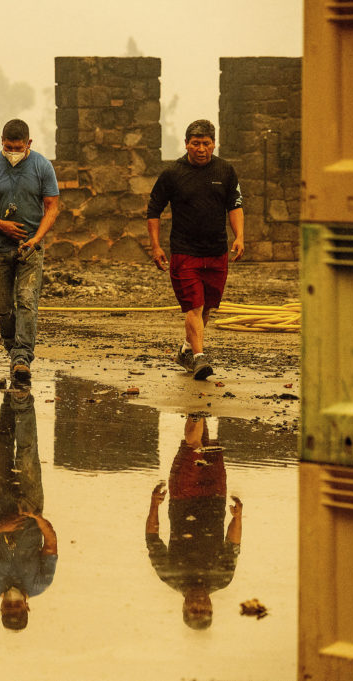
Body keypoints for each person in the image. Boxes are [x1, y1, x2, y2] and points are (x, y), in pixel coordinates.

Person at [146, 119, 245, 380]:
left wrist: (239, 237)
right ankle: (200, 358)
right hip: (184, 251)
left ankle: (187, 350)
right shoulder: (172, 174)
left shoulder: (225, 170)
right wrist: (156, 246)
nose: (201, 149)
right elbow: (154, 209)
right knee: (194, 306)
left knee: (207, 307)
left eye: (206, 143)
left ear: (214, 144)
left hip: (216, 251)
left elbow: (234, 205)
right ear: (186, 144)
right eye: (195, 143)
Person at [0, 119, 60, 384]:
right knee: (3, 308)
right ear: (1, 143)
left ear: (28, 144)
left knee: (27, 301)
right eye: (8, 147)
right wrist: (0, 225)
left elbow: (52, 207)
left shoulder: (42, 166)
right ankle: (12, 348)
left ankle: (22, 358)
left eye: (18, 147)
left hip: (30, 248)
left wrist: (37, 239)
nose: (13, 151)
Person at [0, 389, 58, 630]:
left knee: (2, 443)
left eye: (8, 608)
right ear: (27, 607)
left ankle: (10, 396)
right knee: (28, 451)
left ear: (1, 608)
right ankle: (23, 400)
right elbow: (51, 543)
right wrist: (36, 516)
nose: (13, 605)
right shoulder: (40, 583)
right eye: (17, 608)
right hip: (31, 503)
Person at [145, 415, 243, 629]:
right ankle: (200, 400)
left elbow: (152, 539)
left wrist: (154, 505)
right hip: (216, 497)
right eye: (205, 610)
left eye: (194, 610)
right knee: (207, 444)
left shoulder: (170, 576)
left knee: (194, 446)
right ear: (211, 607)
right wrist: (238, 518)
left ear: (184, 608)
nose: (200, 604)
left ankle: (196, 405)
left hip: (183, 497)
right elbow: (233, 545)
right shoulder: (222, 579)